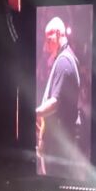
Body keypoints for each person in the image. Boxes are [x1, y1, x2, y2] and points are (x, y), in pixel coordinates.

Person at [36, 17, 81, 175]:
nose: (46, 46)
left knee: (54, 183)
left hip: (58, 143)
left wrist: (35, 113)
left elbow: (55, 102)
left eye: (48, 40)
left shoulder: (64, 62)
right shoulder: (67, 58)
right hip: (59, 140)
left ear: (58, 34)